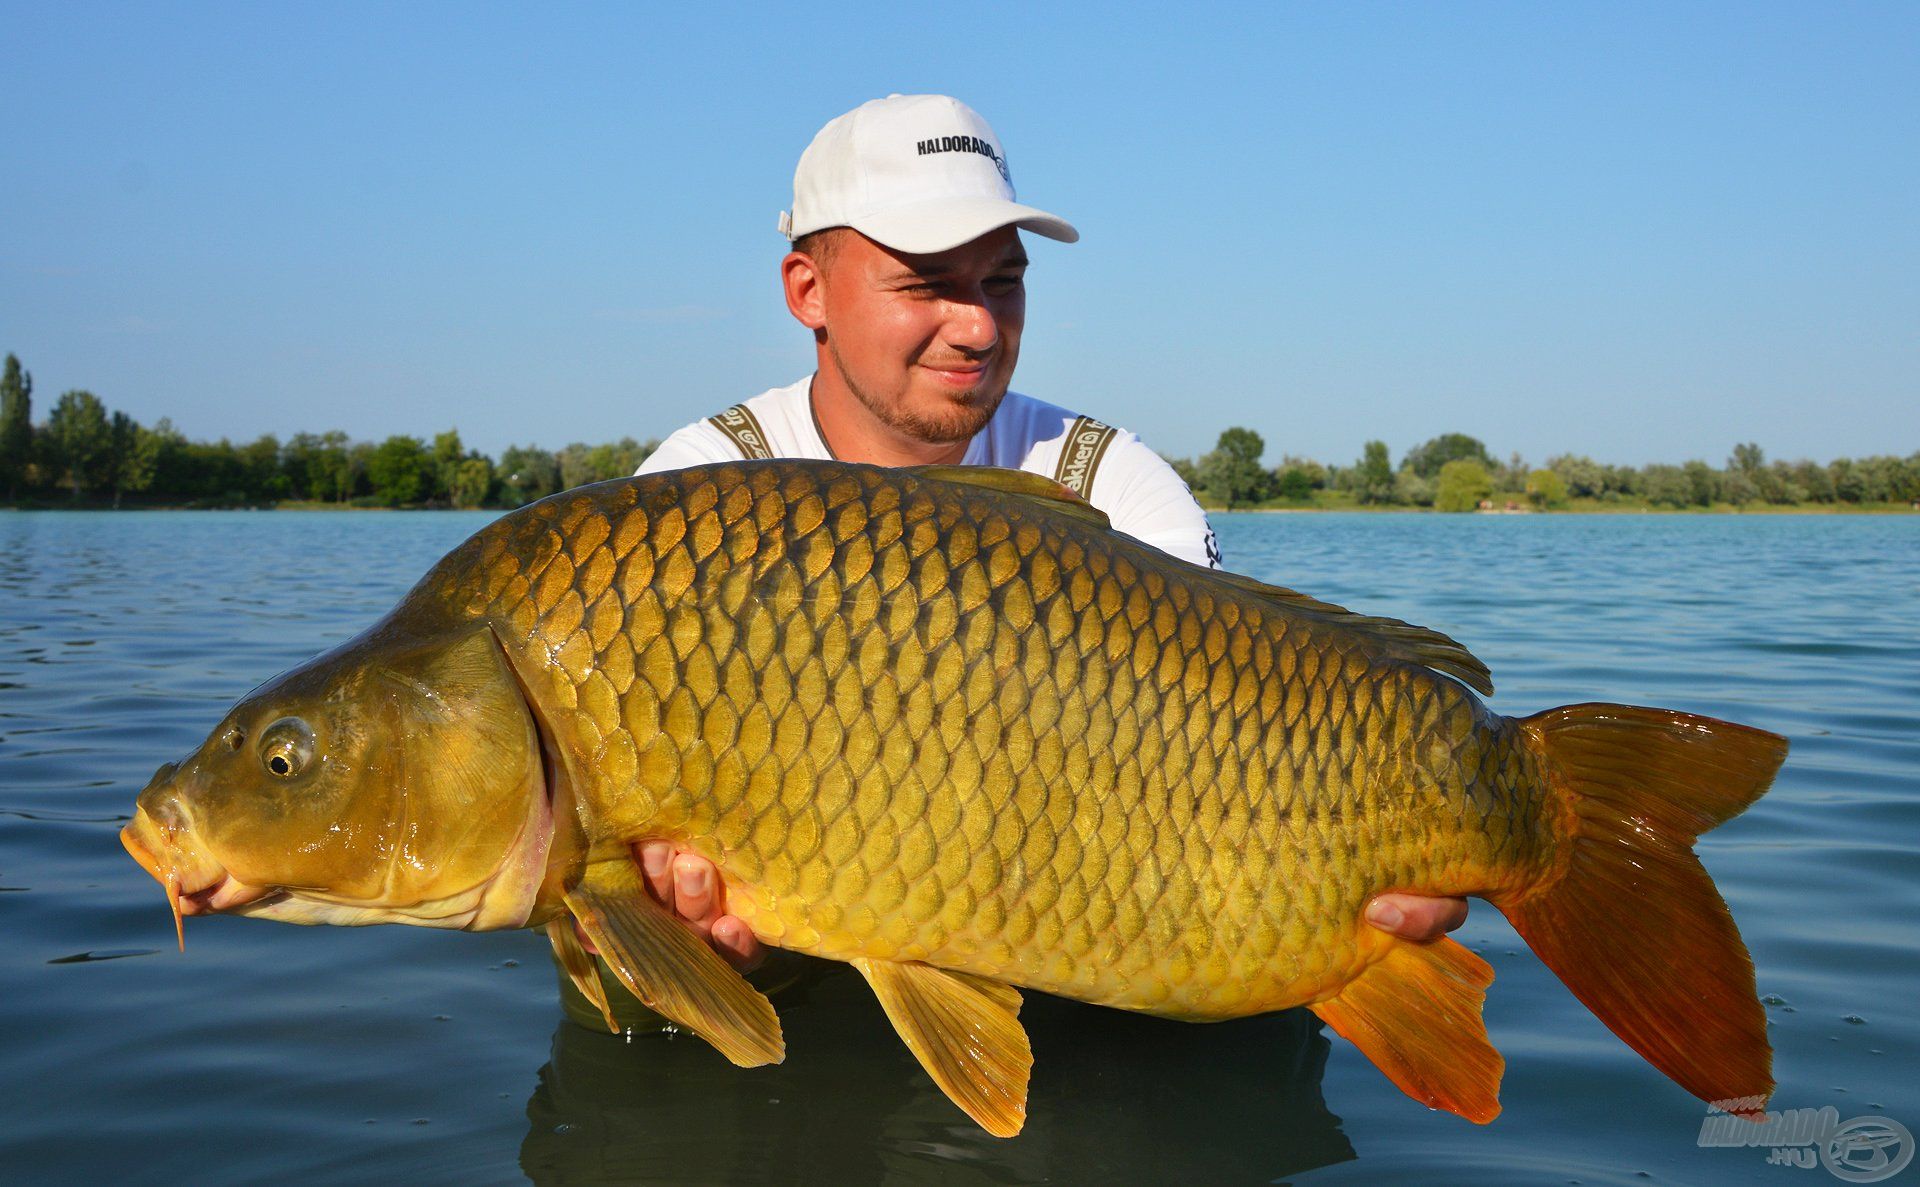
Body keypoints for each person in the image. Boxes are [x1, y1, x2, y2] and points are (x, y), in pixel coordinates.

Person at [617, 94, 1465, 981]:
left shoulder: (1112, 481)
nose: (978, 325)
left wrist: (1387, 854)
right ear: (808, 291)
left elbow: (1231, 744)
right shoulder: (699, 492)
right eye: (923, 284)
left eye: (1003, 280)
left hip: (1099, 957)